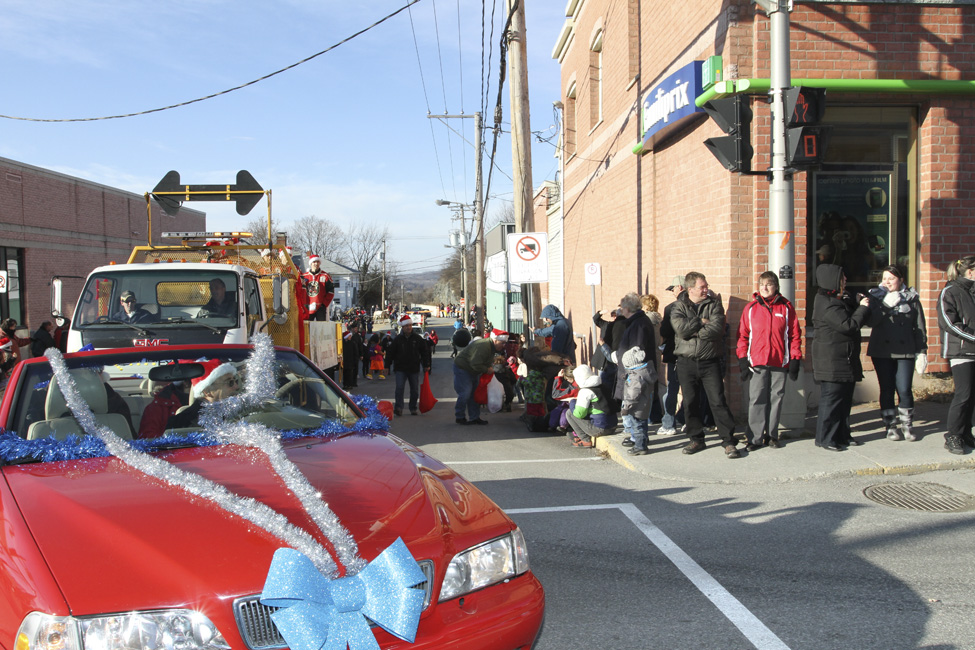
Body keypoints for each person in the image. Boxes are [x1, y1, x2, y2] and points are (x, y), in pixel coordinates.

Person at [671, 273, 740, 458]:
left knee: (718, 401)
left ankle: (728, 441)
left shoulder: (714, 305)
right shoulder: (678, 306)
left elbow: (717, 330)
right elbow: (681, 331)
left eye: (706, 286)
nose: (706, 290)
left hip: (710, 362)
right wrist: (701, 322)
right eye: (702, 287)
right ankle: (696, 439)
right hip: (686, 362)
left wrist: (693, 330)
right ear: (690, 289)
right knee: (690, 402)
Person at [736, 271, 802, 450]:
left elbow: (794, 335)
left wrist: (795, 358)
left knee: (776, 399)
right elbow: (742, 336)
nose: (764, 288)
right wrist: (742, 358)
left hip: (779, 361)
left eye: (769, 284)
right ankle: (754, 438)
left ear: (776, 287)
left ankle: (772, 435)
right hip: (757, 362)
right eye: (762, 284)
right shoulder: (751, 308)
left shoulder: (786, 308)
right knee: (757, 399)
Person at [812, 263, 871, 452]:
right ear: (832, 280)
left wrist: (854, 301)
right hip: (832, 362)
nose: (845, 279)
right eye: (841, 277)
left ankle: (842, 435)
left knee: (844, 402)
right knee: (832, 401)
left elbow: (846, 313)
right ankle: (826, 438)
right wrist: (863, 308)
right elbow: (848, 325)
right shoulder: (827, 305)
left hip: (844, 360)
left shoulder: (835, 300)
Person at [867, 265, 927, 442]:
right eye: (884, 278)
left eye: (891, 278)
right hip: (882, 351)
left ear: (900, 280)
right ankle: (890, 425)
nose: (887, 282)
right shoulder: (875, 297)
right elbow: (871, 321)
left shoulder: (912, 298)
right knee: (887, 389)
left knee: (904, 388)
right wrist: (886, 305)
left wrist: (922, 351)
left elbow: (920, 327)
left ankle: (907, 424)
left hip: (905, 349)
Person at [937, 256, 975, 455]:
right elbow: (949, 323)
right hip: (961, 351)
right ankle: (952, 435)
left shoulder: (972, 292)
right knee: (964, 394)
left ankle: (965, 432)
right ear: (970, 272)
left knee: (972, 396)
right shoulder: (950, 291)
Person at [612, 293, 658, 443]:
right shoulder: (636, 322)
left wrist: (623, 360)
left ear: (627, 308)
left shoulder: (638, 324)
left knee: (636, 407)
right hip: (634, 372)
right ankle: (636, 438)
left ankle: (638, 440)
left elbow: (636, 350)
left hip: (636, 373)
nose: (621, 310)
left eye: (622, 307)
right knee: (634, 406)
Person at [166, 360, 241, 429]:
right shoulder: (185, 423)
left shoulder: (236, 412)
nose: (236, 387)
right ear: (207, 391)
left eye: (236, 381)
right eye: (230, 383)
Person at [453, 332, 506, 425]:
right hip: (463, 368)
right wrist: (487, 370)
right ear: (495, 340)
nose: (503, 345)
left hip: (473, 369)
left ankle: (474, 417)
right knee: (465, 393)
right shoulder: (484, 346)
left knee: (475, 394)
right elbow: (475, 364)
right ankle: (460, 417)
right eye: (502, 343)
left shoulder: (491, 347)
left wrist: (487, 368)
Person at [386, 315, 432, 416]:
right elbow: (390, 353)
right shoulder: (398, 339)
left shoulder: (417, 338)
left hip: (413, 368)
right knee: (399, 388)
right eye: (406, 326)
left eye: (410, 325)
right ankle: (399, 408)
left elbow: (424, 352)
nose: (409, 327)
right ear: (402, 327)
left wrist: (426, 364)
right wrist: (387, 366)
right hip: (400, 368)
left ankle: (413, 408)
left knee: (414, 390)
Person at [658, 276, 686, 436]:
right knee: (690, 389)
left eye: (673, 289)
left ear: (680, 287)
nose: (672, 292)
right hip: (691, 354)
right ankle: (686, 420)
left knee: (672, 390)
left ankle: (669, 424)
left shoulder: (671, 308)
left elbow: (665, 331)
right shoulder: (696, 305)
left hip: (675, 353)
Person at [565, 364, 618, 447]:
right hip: (613, 425)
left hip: (600, 429)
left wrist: (572, 402)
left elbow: (579, 414)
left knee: (569, 413)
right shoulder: (602, 385)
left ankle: (585, 440)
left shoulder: (585, 391)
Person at [620, 347, 654, 456]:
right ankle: (643, 440)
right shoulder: (643, 372)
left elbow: (632, 395)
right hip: (644, 405)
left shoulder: (635, 378)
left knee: (638, 427)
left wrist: (626, 407)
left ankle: (640, 447)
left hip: (636, 408)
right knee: (642, 425)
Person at [302, 255, 335, 321]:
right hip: (307, 307)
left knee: (321, 326)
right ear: (311, 263)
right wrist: (303, 304)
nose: (316, 264)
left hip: (320, 307)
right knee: (307, 325)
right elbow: (300, 291)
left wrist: (324, 304)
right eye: (314, 262)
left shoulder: (325, 276)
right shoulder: (304, 277)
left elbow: (331, 291)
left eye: (318, 262)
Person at [342, 323, 364, 391]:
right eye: (355, 328)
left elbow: (360, 345)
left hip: (354, 357)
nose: (356, 329)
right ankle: (347, 384)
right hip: (347, 359)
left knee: (354, 370)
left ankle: (353, 382)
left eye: (356, 328)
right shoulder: (345, 342)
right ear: (352, 329)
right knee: (347, 372)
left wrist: (361, 354)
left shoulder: (356, 337)